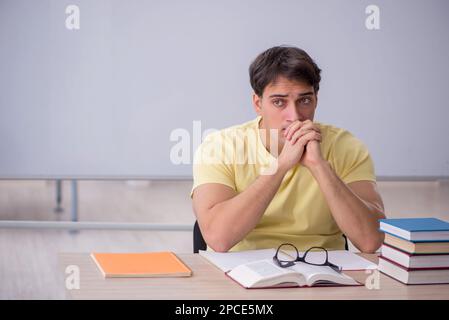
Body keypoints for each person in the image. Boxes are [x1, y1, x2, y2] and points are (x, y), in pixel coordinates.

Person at [191, 46, 385, 253]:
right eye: (279, 102)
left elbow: (370, 241)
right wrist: (281, 165)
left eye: (304, 100)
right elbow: (219, 238)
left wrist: (319, 166)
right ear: (258, 104)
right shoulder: (219, 147)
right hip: (239, 274)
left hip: (324, 273)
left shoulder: (347, 147)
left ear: (316, 100)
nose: (294, 116)